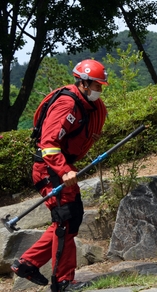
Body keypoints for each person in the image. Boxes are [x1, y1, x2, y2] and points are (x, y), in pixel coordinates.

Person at [11, 60, 108, 291]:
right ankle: (63, 281)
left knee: (71, 218)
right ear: (83, 83)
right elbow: (49, 144)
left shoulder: (87, 104)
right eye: (96, 85)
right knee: (65, 220)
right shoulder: (66, 104)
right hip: (49, 168)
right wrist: (64, 171)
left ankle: (27, 264)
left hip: (62, 167)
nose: (99, 90)